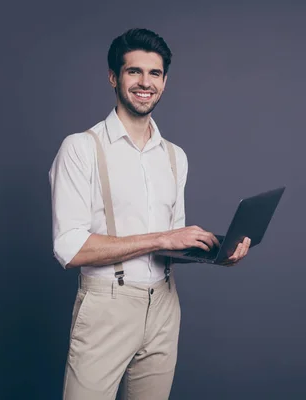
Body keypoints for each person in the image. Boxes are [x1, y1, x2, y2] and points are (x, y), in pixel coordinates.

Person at [48, 28, 251, 400]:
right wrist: (162, 237)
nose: (145, 83)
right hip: (107, 305)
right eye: (134, 72)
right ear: (114, 77)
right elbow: (69, 248)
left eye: (154, 74)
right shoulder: (81, 149)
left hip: (164, 305)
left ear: (164, 81)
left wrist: (216, 254)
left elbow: (171, 246)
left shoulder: (174, 156)